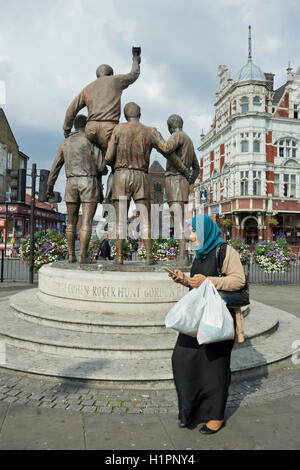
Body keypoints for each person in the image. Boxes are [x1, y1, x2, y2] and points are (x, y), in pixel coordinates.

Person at [168, 214, 246, 434]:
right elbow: (199, 285)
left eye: (194, 232)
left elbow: (239, 280)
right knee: (181, 360)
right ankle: (190, 411)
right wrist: (184, 279)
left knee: (215, 368)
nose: (191, 236)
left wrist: (208, 280)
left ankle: (215, 416)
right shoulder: (201, 253)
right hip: (197, 319)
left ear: (205, 232)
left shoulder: (225, 251)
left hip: (218, 320)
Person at [104, 102, 190, 265]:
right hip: (142, 177)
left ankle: (119, 257)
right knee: (145, 219)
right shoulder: (150, 131)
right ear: (140, 115)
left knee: (121, 219)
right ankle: (149, 257)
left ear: (125, 115)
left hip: (121, 177)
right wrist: (184, 167)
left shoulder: (118, 129)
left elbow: (108, 157)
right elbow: (166, 148)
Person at [47, 114, 107, 264]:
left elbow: (54, 168)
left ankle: (71, 255)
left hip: (71, 183)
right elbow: (101, 167)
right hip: (88, 182)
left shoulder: (65, 143)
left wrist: (49, 188)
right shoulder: (91, 141)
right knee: (86, 222)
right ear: (87, 125)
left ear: (74, 126)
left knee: (71, 222)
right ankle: (83, 256)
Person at [164, 114, 200, 262]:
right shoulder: (189, 141)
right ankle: (183, 253)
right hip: (183, 182)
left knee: (177, 219)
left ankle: (182, 255)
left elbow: (166, 149)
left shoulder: (176, 135)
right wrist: (189, 180)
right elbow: (197, 168)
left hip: (174, 180)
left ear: (170, 126)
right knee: (178, 218)